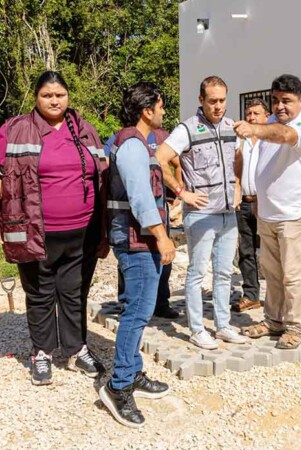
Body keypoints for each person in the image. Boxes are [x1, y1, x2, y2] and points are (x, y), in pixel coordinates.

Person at [0, 71, 108, 385]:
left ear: (68, 96)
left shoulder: (84, 130)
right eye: (47, 95)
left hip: (82, 231)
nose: (55, 101)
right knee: (40, 294)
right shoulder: (16, 130)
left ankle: (77, 349)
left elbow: (102, 176)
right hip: (34, 231)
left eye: (60, 95)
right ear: (36, 98)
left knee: (75, 293)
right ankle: (42, 353)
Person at [99, 81, 175, 428]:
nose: (163, 112)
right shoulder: (131, 145)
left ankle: (134, 371)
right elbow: (141, 198)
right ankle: (119, 385)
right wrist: (161, 237)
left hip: (139, 237)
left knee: (140, 310)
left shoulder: (138, 143)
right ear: (148, 110)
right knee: (137, 313)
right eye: (160, 106)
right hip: (136, 239)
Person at [155, 76, 247, 349]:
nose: (218, 106)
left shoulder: (232, 127)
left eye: (222, 100)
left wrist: (239, 186)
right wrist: (182, 193)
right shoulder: (187, 129)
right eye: (212, 101)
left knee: (224, 273)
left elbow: (238, 157)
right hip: (201, 214)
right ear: (201, 100)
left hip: (228, 212)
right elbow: (159, 159)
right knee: (196, 273)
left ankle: (223, 325)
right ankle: (196, 329)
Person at [233, 74, 301, 350]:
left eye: (287, 101)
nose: (280, 106)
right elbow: (263, 165)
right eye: (276, 100)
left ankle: (295, 327)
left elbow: (285, 137)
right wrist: (259, 200)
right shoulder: (271, 122)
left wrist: (255, 129)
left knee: (293, 275)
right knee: (271, 272)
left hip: (295, 213)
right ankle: (273, 320)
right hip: (268, 212)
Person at [107, 129, 181, 319]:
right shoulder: (121, 138)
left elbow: (177, 163)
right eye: (159, 107)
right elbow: (107, 165)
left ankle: (161, 303)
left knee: (163, 258)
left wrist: (177, 192)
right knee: (131, 260)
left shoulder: (161, 137)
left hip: (157, 210)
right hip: (129, 215)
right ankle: (126, 303)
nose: (163, 112)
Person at [231, 98, 270, 312]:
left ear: (266, 116)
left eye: (256, 113)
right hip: (245, 202)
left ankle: (275, 297)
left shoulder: (270, 141)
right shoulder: (241, 141)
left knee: (270, 252)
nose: (251, 117)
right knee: (245, 250)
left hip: (265, 204)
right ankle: (251, 294)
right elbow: (237, 166)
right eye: (249, 114)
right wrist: (236, 188)